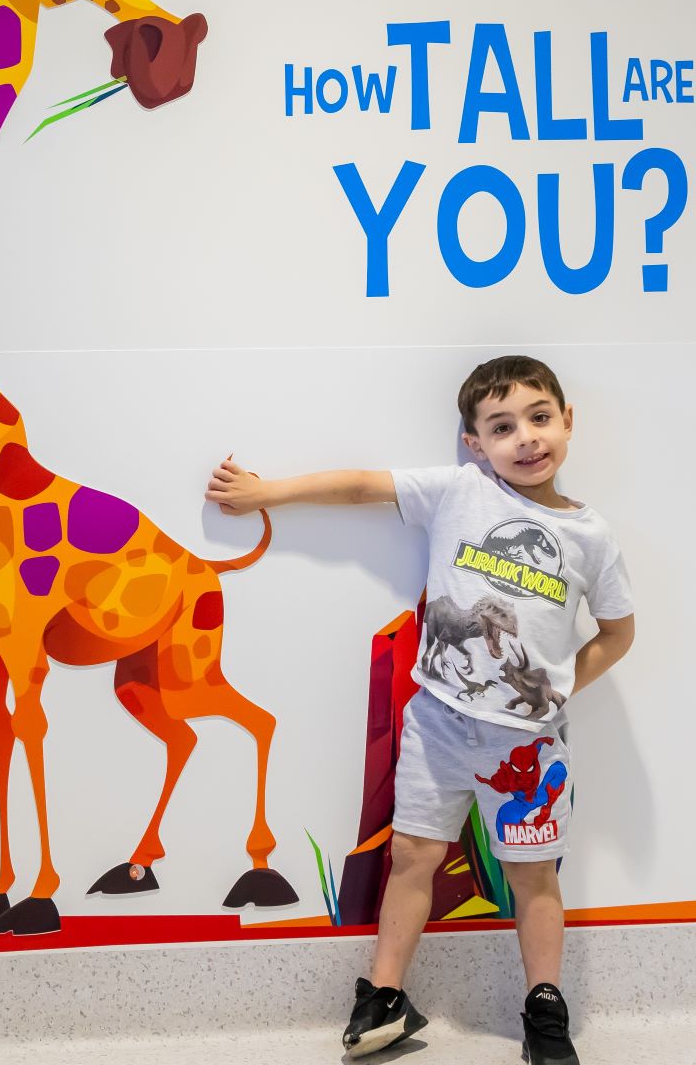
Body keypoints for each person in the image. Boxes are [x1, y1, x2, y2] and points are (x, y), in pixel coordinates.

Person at [205, 355, 635, 1064]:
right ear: (474, 442)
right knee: (413, 855)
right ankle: (384, 996)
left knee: (535, 874)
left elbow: (618, 634)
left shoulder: (591, 536)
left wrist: (556, 687)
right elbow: (360, 484)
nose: (525, 438)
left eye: (539, 418)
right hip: (436, 725)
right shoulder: (459, 492)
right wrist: (268, 493)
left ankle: (544, 1006)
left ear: (567, 422)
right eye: (502, 427)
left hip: (525, 747)